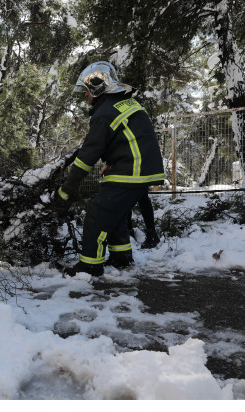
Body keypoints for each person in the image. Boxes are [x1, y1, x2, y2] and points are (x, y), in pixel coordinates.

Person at [56, 61, 164, 277]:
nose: (86, 97)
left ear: (97, 88)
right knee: (114, 213)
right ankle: (121, 257)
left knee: (97, 213)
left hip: (132, 169)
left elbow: (88, 155)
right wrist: (112, 162)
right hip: (138, 166)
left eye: (87, 92)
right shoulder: (125, 103)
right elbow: (129, 138)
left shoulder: (104, 112)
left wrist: (68, 188)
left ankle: (89, 267)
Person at [100, 162, 160, 249]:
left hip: (133, 164)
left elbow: (119, 148)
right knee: (138, 197)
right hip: (138, 164)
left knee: (135, 197)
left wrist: (109, 163)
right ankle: (143, 233)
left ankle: (145, 234)